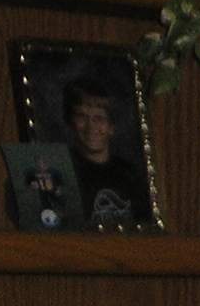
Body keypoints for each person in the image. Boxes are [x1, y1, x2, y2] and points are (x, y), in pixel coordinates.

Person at [59, 75, 151, 228]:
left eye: (99, 118)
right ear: (70, 122)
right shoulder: (62, 173)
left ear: (111, 126)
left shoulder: (131, 177)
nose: (91, 126)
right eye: (82, 116)